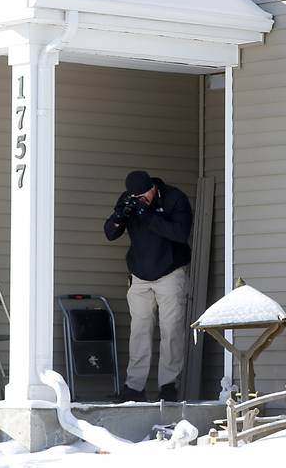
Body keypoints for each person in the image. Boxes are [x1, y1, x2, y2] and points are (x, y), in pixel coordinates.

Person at [104, 170, 192, 402]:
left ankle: (168, 385)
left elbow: (181, 233)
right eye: (136, 198)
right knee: (139, 330)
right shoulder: (129, 199)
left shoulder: (174, 198)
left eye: (143, 197)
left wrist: (148, 216)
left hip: (170, 272)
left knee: (171, 329)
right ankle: (134, 387)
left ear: (152, 188)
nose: (140, 201)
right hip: (140, 275)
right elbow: (110, 233)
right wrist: (120, 215)